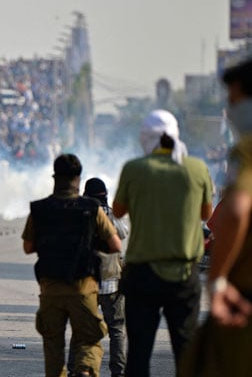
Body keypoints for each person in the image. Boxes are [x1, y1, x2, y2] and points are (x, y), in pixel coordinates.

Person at [112, 109, 213, 376]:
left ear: (146, 138)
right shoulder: (197, 168)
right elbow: (207, 215)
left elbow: (118, 210)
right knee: (186, 350)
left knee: (139, 352)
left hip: (143, 274)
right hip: (184, 274)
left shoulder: (134, 169)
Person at [178, 58, 252, 376]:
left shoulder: (247, 152)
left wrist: (218, 280)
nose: (229, 111)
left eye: (233, 101)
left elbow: (235, 210)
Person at [22, 154, 121, 377]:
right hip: (83, 288)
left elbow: (28, 247)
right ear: (78, 178)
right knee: (89, 340)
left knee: (53, 346)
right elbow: (115, 244)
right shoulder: (92, 208)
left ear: (55, 177)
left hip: (50, 289)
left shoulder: (40, 209)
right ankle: (85, 370)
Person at [67, 178, 129, 377]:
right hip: (111, 282)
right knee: (117, 329)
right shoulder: (110, 214)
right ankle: (118, 373)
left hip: (85, 283)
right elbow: (123, 233)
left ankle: (75, 370)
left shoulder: (78, 213)